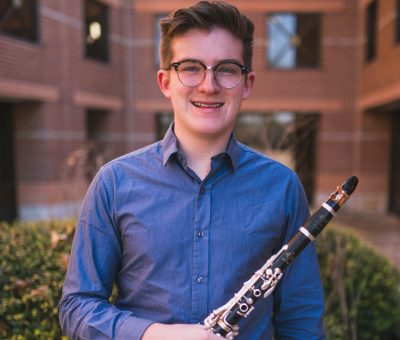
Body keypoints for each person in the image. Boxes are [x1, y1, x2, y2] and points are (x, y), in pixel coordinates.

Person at [58, 1, 325, 339]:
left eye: (226, 69)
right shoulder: (114, 183)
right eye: (191, 67)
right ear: (165, 81)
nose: (208, 85)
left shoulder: (282, 186)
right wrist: (154, 334)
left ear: (247, 84)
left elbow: (301, 320)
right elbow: (77, 305)